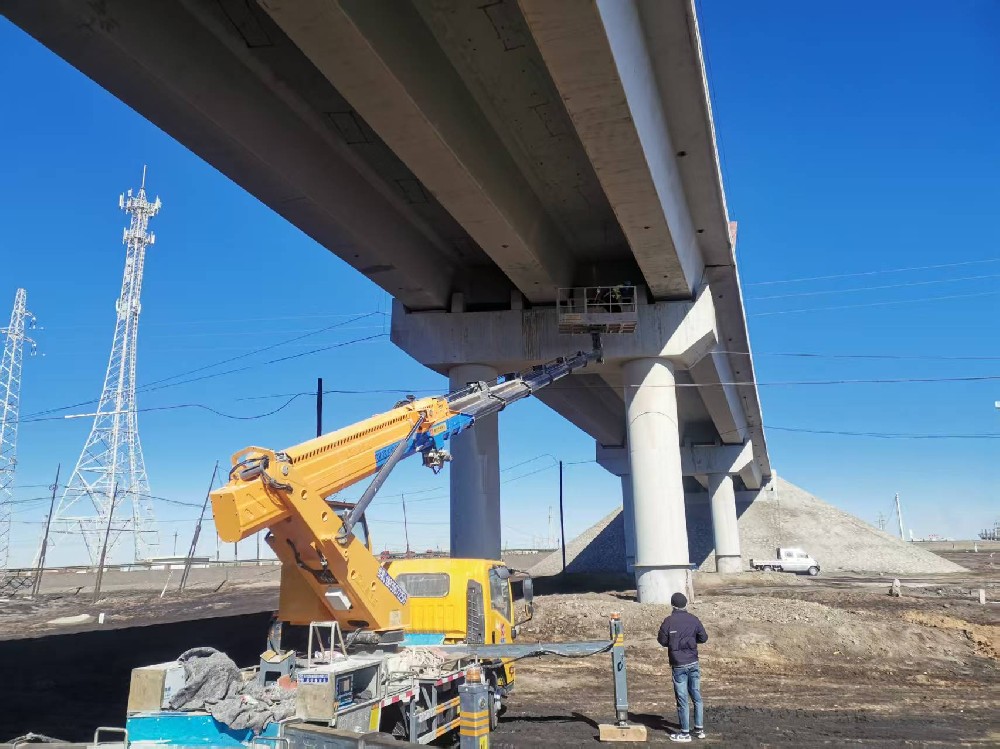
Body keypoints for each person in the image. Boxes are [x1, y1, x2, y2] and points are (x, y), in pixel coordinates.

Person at [657, 592, 708, 742]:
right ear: (686, 604)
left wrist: (674, 643)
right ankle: (699, 730)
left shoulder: (668, 621)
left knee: (682, 699)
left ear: (672, 605)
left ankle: (685, 733)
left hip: (678, 664)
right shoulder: (694, 619)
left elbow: (662, 640)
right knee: (696, 696)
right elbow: (703, 638)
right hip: (693, 662)